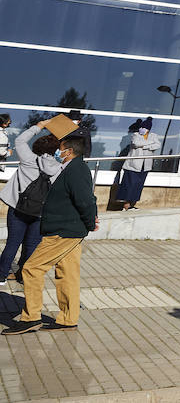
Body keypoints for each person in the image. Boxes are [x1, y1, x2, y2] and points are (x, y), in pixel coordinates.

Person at [4, 132, 99, 334]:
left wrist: (91, 223)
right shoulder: (71, 168)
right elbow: (85, 198)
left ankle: (31, 318)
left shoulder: (76, 170)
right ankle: (68, 319)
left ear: (69, 151)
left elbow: (86, 200)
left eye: (60, 149)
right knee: (67, 274)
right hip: (68, 230)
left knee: (31, 269)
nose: (57, 151)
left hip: (64, 232)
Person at [0, 121, 64, 284]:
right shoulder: (60, 169)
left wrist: (39, 125)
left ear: (37, 147)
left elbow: (20, 140)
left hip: (18, 209)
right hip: (40, 213)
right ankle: (23, 277)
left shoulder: (28, 159)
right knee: (32, 246)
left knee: (12, 243)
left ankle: (1, 276)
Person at [116, 118, 161, 211]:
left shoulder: (153, 136)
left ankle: (132, 204)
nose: (142, 129)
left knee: (138, 186)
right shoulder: (135, 135)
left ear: (148, 129)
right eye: (141, 127)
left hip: (145, 166)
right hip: (133, 165)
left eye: (144, 128)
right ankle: (126, 205)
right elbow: (136, 143)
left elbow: (157, 145)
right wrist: (149, 144)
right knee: (129, 185)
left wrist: (145, 146)